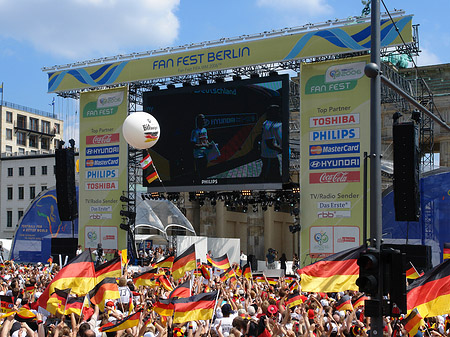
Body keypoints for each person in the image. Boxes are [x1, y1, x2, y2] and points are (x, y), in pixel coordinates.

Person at [260, 105, 283, 181]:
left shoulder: (267, 123)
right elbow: (269, 144)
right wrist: (282, 150)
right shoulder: (269, 125)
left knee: (272, 172)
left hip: (270, 155)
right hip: (269, 156)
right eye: (278, 112)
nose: (279, 114)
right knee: (266, 175)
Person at [191, 114, 212, 181]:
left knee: (205, 172)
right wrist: (204, 145)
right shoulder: (195, 132)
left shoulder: (205, 130)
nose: (203, 121)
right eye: (202, 120)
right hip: (198, 156)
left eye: (204, 119)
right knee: (199, 174)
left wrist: (209, 144)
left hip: (205, 154)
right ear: (198, 121)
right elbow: (194, 145)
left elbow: (206, 140)